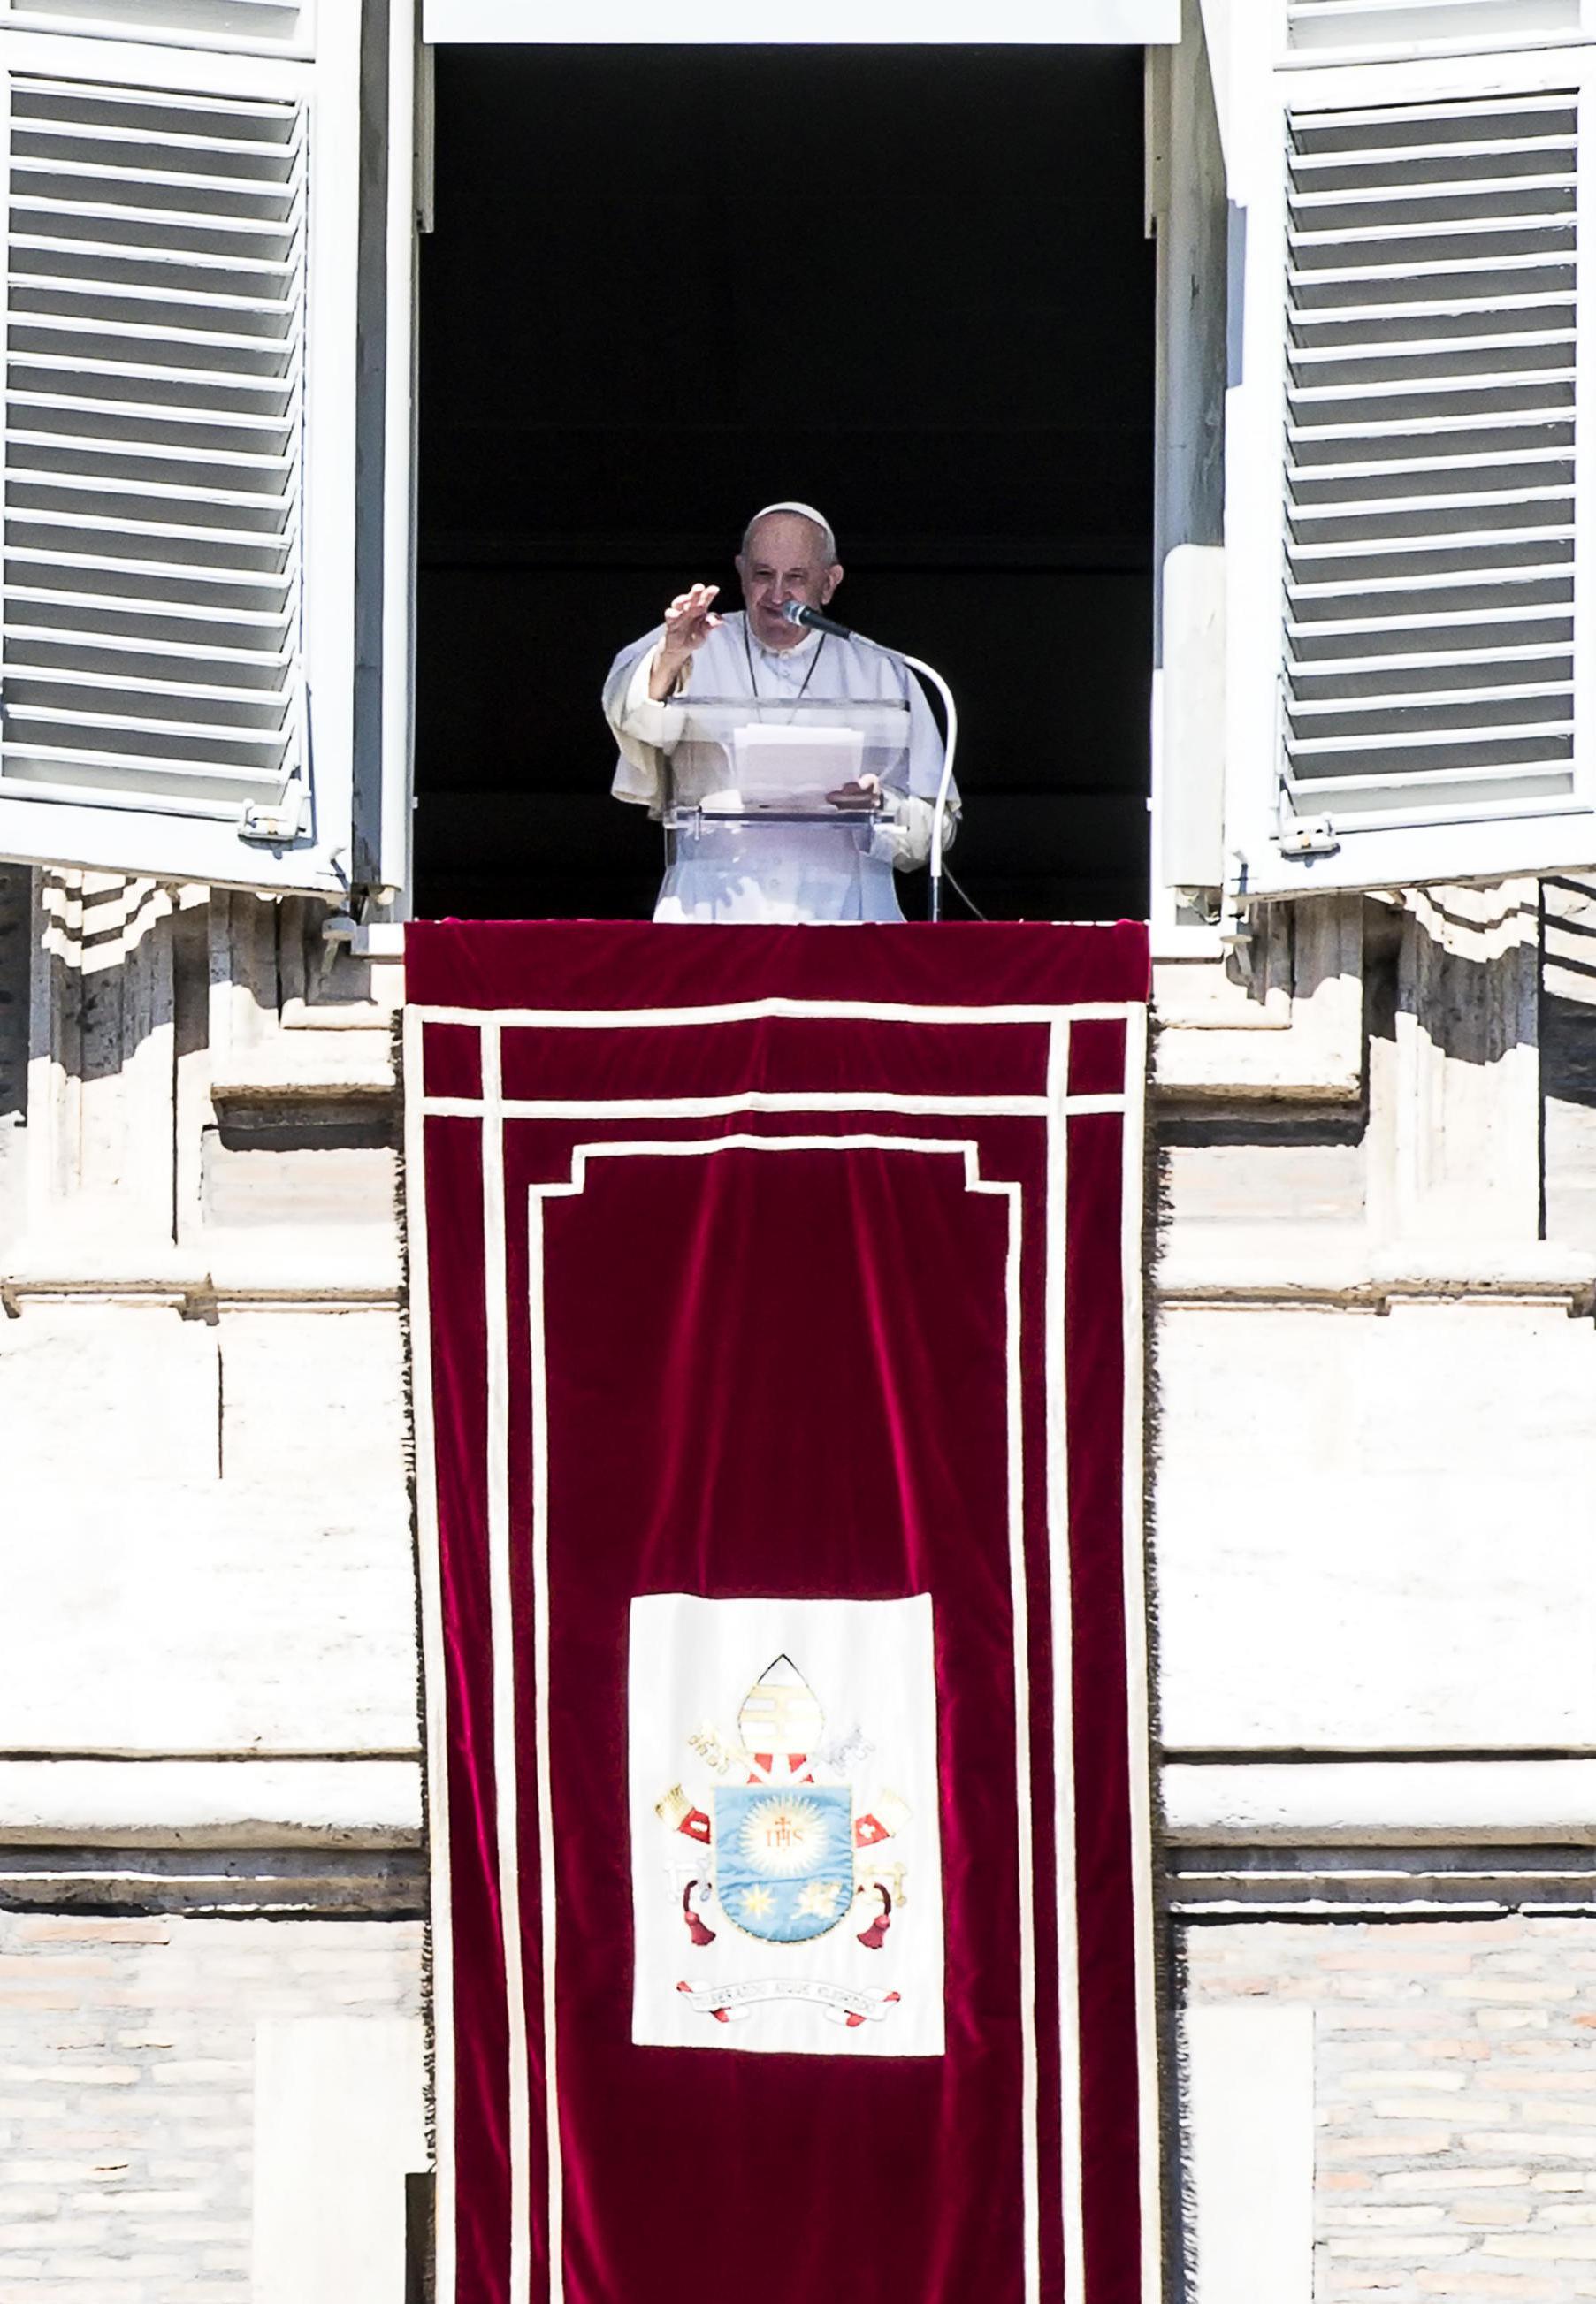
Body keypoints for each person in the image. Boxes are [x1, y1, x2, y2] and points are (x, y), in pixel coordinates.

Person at [602, 503, 958, 922]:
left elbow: (936, 833)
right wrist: (670, 657)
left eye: (796, 578)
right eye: (763, 575)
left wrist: (879, 807)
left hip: (844, 911)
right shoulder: (692, 642)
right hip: (713, 907)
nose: (776, 595)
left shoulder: (882, 670)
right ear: (741, 571)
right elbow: (636, 722)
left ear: (829, 583)